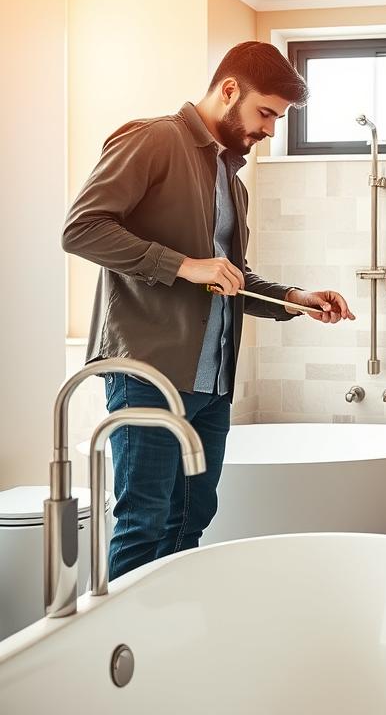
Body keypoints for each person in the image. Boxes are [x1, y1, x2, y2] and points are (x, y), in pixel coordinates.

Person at [62, 41, 355, 580]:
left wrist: (294, 298)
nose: (270, 129)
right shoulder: (152, 139)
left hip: (212, 381)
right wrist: (183, 265)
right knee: (142, 520)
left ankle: (169, 636)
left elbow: (226, 276)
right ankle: (120, 648)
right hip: (148, 371)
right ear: (228, 90)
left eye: (279, 118)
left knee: (191, 517)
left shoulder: (231, 181)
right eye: (266, 112)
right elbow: (81, 229)